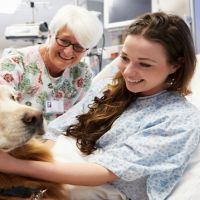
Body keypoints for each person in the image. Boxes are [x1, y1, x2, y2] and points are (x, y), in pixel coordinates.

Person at [0, 12, 200, 200]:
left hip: (97, 185)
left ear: (176, 65)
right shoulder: (109, 88)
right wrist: (34, 159)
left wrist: (16, 166)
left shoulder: (179, 119)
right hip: (52, 163)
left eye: (145, 64)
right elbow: (59, 128)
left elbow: (104, 172)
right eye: (124, 58)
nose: (128, 72)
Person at [0, 5, 103, 123]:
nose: (68, 52)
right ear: (51, 34)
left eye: (79, 47)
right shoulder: (14, 64)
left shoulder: (83, 76)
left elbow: (80, 118)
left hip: (60, 139)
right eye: (64, 41)